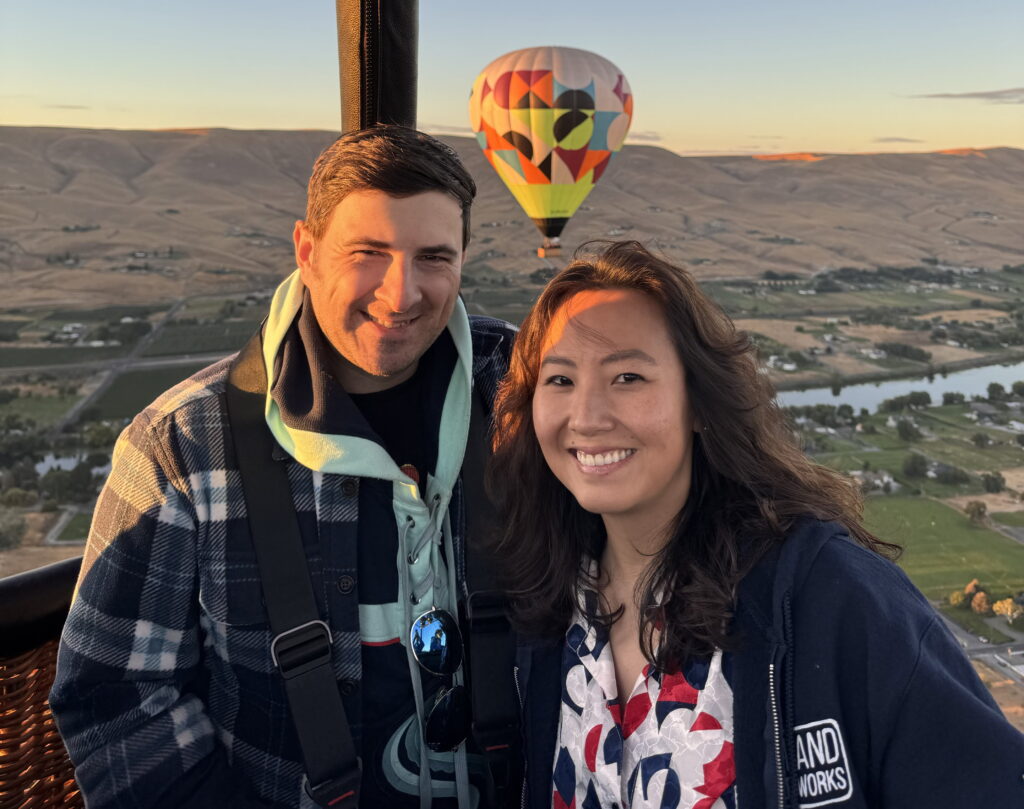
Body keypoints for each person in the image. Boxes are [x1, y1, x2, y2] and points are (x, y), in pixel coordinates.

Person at [50, 126, 519, 809]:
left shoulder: (527, 391)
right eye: (369, 253)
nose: (402, 292)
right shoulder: (181, 448)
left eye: (434, 257)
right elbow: (115, 701)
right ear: (307, 251)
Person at [490, 241, 1024, 809]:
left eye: (627, 377)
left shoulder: (825, 594)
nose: (588, 416)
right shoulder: (537, 610)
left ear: (699, 402)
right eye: (560, 380)